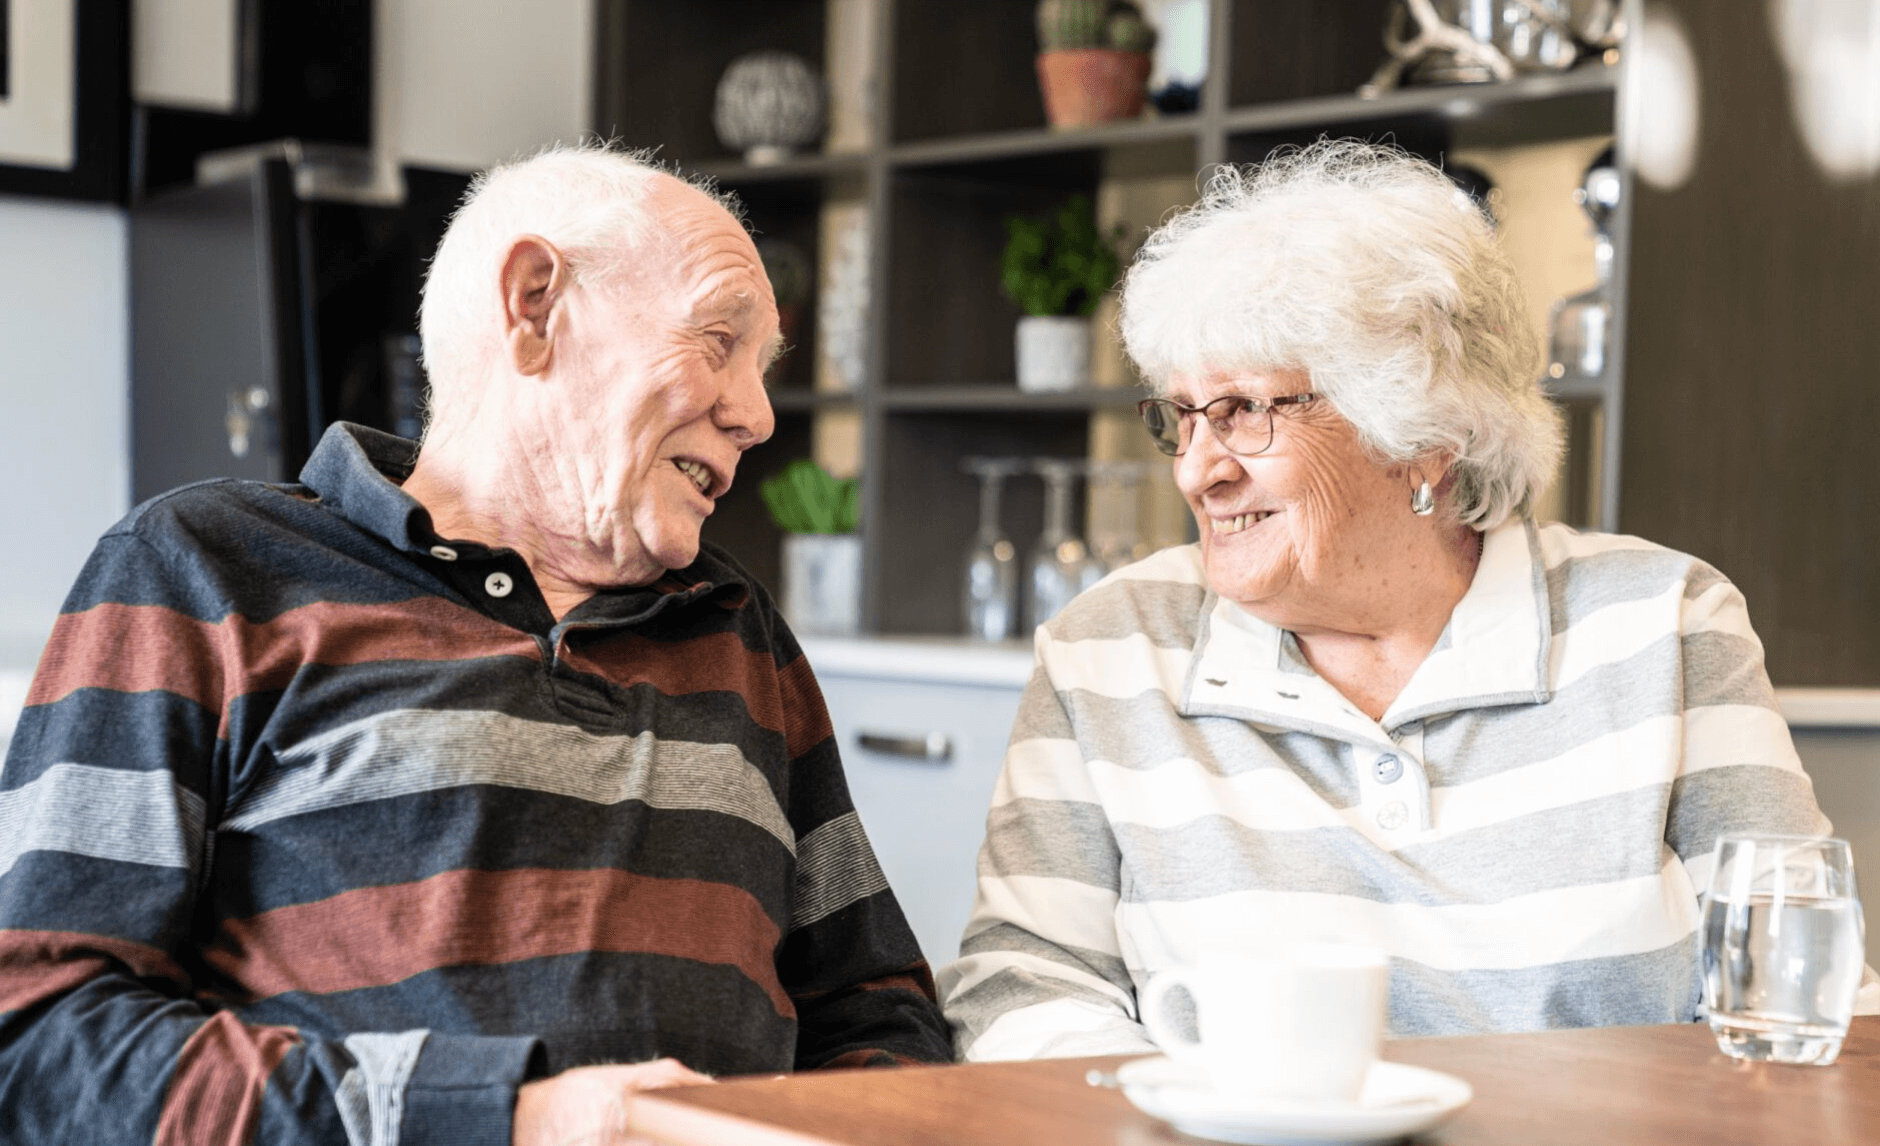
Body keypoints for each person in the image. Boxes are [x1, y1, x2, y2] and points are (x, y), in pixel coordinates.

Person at [0, 144, 951, 1145]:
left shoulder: (736, 628)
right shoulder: (206, 569)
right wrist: (509, 1116)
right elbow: (42, 1037)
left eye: (761, 371)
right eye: (719, 340)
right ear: (534, 304)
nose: (755, 415)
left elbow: (876, 1012)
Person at [938, 139, 1877, 1059]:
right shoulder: (1109, 647)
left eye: (1245, 413)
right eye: (1181, 417)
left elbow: (1801, 986)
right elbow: (1025, 980)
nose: (1197, 470)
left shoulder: (1663, 623)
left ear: (1424, 433)